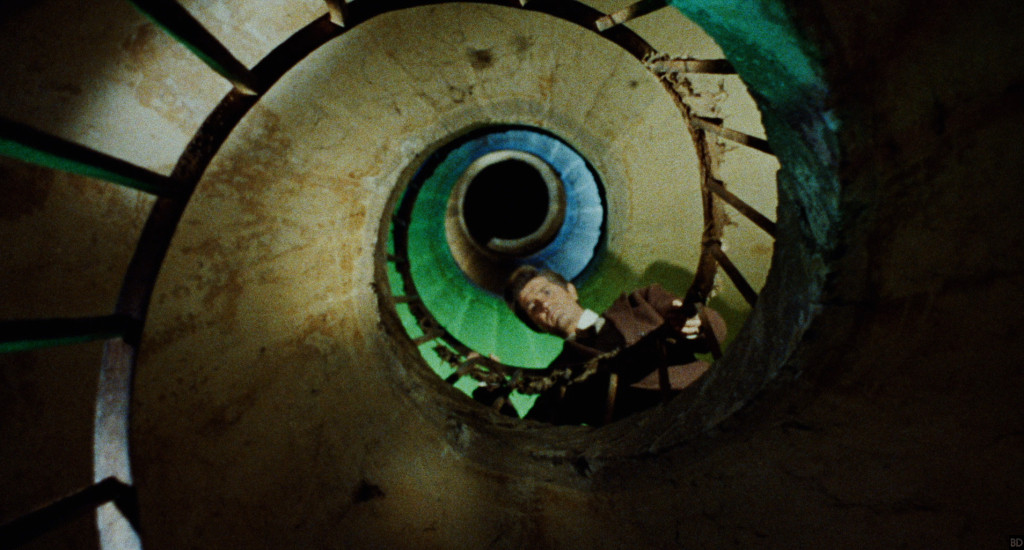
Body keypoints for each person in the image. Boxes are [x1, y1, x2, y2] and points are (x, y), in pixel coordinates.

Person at [503, 265, 725, 426]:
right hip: (660, 445)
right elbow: (529, 434)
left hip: (712, 398)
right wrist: (494, 395)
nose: (544, 304)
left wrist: (696, 322)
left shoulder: (642, 301)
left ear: (571, 291)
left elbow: (716, 331)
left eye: (546, 291)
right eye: (533, 307)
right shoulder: (558, 375)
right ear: (537, 326)